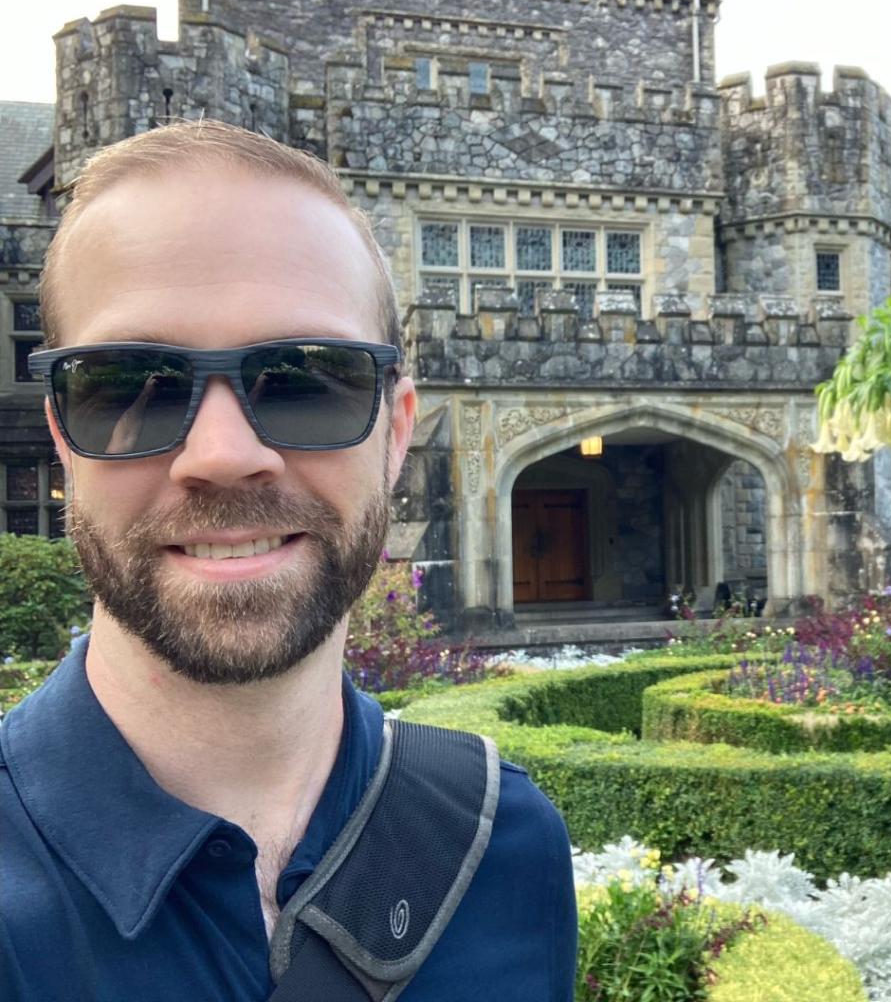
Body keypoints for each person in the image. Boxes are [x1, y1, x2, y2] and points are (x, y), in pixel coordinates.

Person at [0, 120, 577, 1001]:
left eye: (308, 378)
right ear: (63, 438)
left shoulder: (509, 847)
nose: (222, 453)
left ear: (396, 430)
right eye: (130, 384)